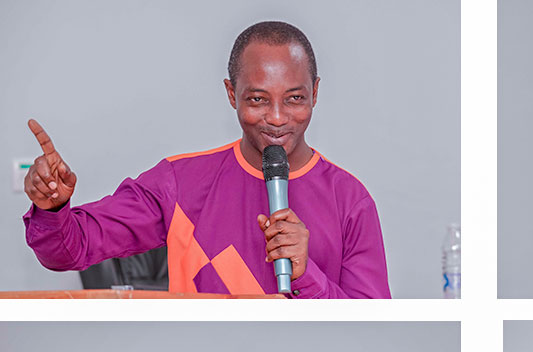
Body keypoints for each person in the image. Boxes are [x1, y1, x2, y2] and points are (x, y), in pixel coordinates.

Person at [22, 21, 390, 299]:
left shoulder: (350, 199)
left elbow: (373, 331)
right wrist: (53, 209)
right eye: (258, 99)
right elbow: (69, 250)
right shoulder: (178, 183)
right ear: (232, 94)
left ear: (315, 92)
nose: (277, 118)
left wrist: (306, 273)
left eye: (294, 98)